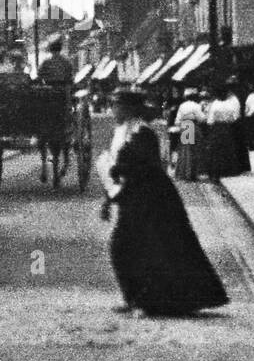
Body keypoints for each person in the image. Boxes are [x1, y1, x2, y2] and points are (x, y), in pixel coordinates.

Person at [98, 86, 229, 317]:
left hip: (150, 197)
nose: (113, 110)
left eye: (117, 106)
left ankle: (146, 300)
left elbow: (142, 164)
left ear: (129, 109)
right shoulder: (126, 130)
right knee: (136, 246)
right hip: (186, 135)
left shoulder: (142, 131)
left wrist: (117, 171)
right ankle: (137, 298)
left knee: (145, 246)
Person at [205, 78, 243, 180]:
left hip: (216, 127)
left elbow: (210, 120)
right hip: (227, 128)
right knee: (228, 148)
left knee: (216, 150)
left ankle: (217, 170)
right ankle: (229, 169)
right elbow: (235, 117)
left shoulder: (215, 104)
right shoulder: (229, 103)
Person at [173, 87, 206, 182]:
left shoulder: (182, 105)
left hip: (185, 126)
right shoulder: (196, 106)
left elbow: (177, 120)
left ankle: (183, 173)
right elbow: (201, 118)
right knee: (194, 150)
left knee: (184, 150)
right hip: (193, 126)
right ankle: (191, 174)